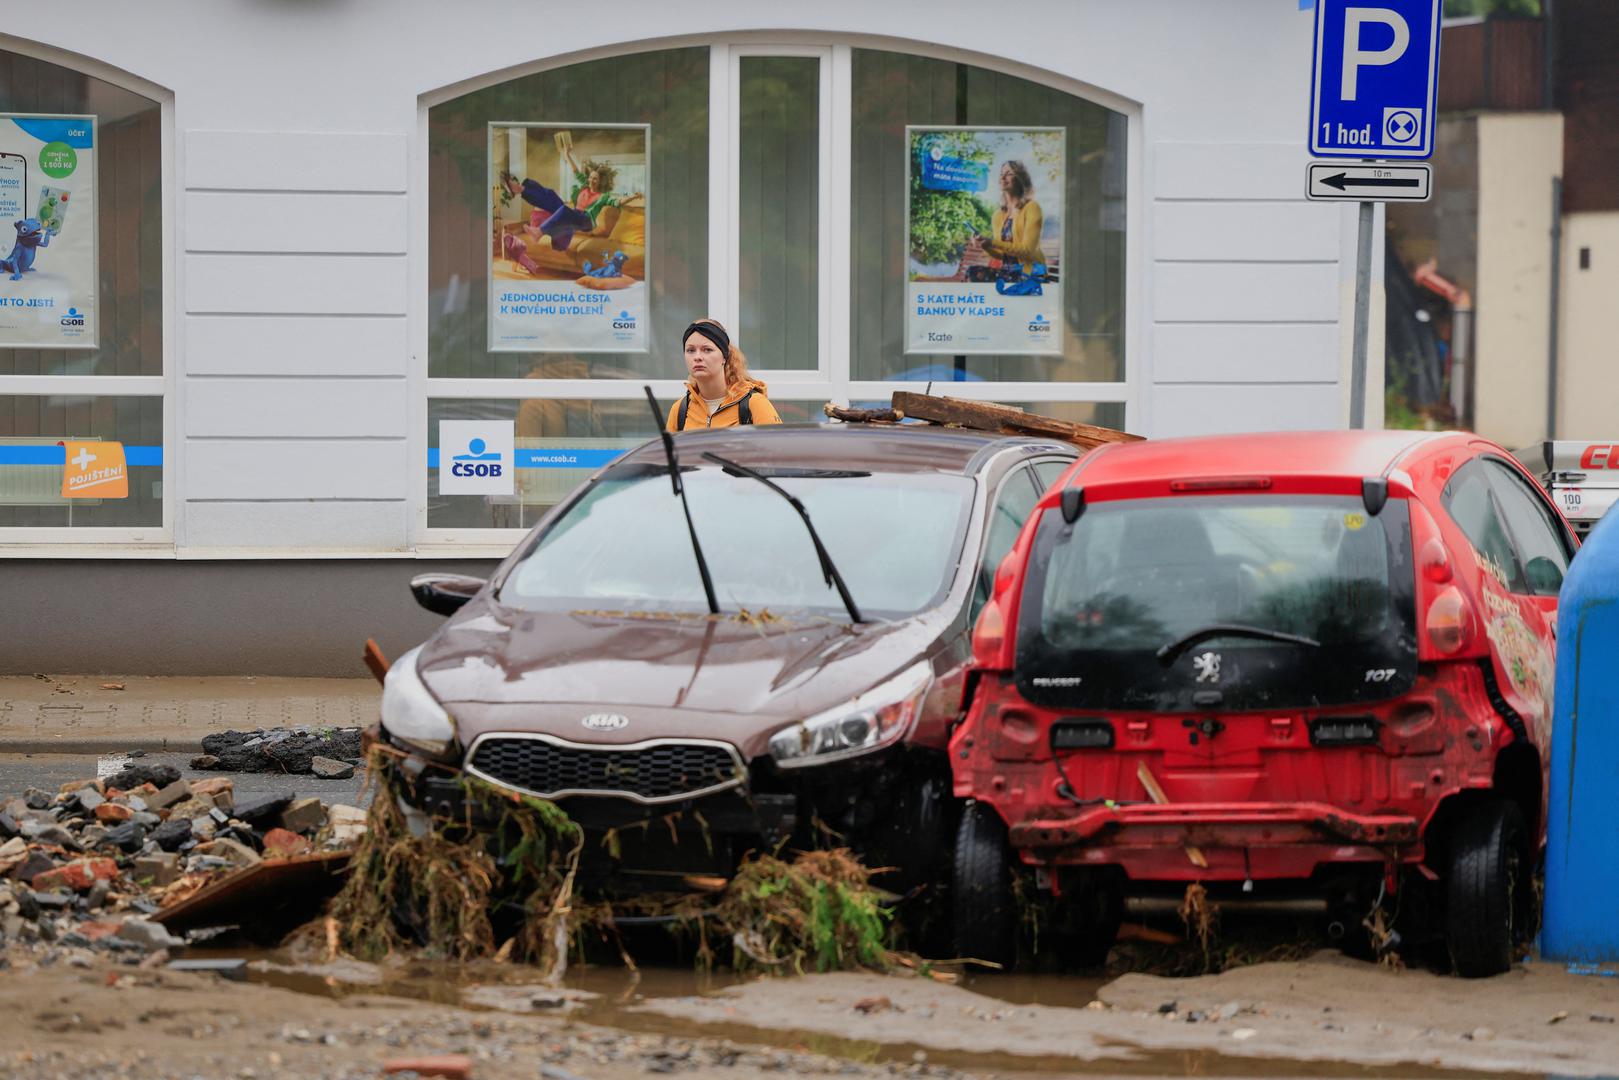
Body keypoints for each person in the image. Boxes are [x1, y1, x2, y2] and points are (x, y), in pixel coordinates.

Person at [666, 318, 782, 431]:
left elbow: (779, 448)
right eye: (691, 350)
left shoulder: (754, 404)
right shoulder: (680, 410)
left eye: (707, 349)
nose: (697, 357)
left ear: (724, 356)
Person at [963, 160, 1047, 294]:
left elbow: (1027, 250)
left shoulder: (1032, 208)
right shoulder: (998, 215)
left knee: (976, 276)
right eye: (1001, 174)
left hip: (1030, 274)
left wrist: (993, 242)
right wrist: (985, 245)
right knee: (972, 271)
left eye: (1008, 174)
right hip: (1009, 273)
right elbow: (1002, 255)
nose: (1002, 177)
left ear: (1021, 179)